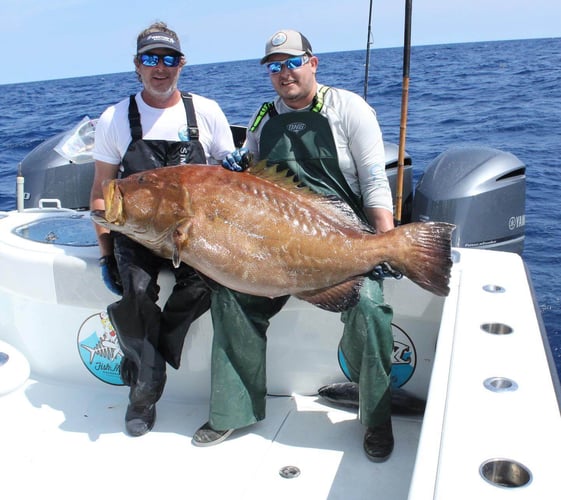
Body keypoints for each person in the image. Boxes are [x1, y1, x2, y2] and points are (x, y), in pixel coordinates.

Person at [193, 29, 396, 462]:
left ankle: (377, 415)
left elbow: (376, 182)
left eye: (291, 62)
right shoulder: (264, 119)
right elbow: (250, 191)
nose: (284, 73)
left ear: (313, 63)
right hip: (272, 247)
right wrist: (237, 167)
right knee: (230, 295)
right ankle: (235, 410)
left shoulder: (349, 109)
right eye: (274, 66)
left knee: (370, 306)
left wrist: (383, 243)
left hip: (341, 239)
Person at [90, 21, 235, 437]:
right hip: (136, 232)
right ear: (137, 65)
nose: (160, 67)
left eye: (168, 59)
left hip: (192, 232)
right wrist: (105, 252)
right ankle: (144, 392)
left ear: (181, 64)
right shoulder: (115, 117)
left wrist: (235, 162)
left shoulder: (205, 111)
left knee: (209, 284)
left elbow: (230, 174)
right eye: (150, 58)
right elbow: (101, 193)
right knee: (134, 293)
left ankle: (147, 354)